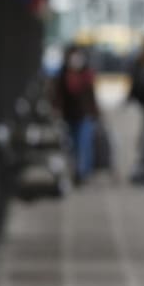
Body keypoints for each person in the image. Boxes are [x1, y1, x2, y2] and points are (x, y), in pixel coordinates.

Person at [54, 45, 100, 185]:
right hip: (70, 116)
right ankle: (77, 171)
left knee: (84, 144)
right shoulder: (63, 75)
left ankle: (83, 172)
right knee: (73, 146)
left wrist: (95, 113)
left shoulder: (87, 75)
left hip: (85, 116)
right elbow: (59, 96)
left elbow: (91, 96)